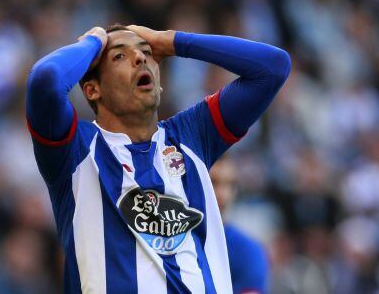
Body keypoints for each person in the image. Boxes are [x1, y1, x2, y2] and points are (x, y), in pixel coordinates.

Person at [26, 24, 290, 293]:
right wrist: (94, 41)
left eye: (146, 52)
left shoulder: (192, 135)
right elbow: (46, 80)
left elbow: (273, 67)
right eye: (120, 56)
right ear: (93, 90)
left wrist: (174, 41)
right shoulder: (76, 150)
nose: (140, 58)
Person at [210, 155, 270, 294]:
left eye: (230, 184)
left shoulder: (248, 251)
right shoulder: (172, 241)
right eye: (213, 182)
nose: (222, 194)